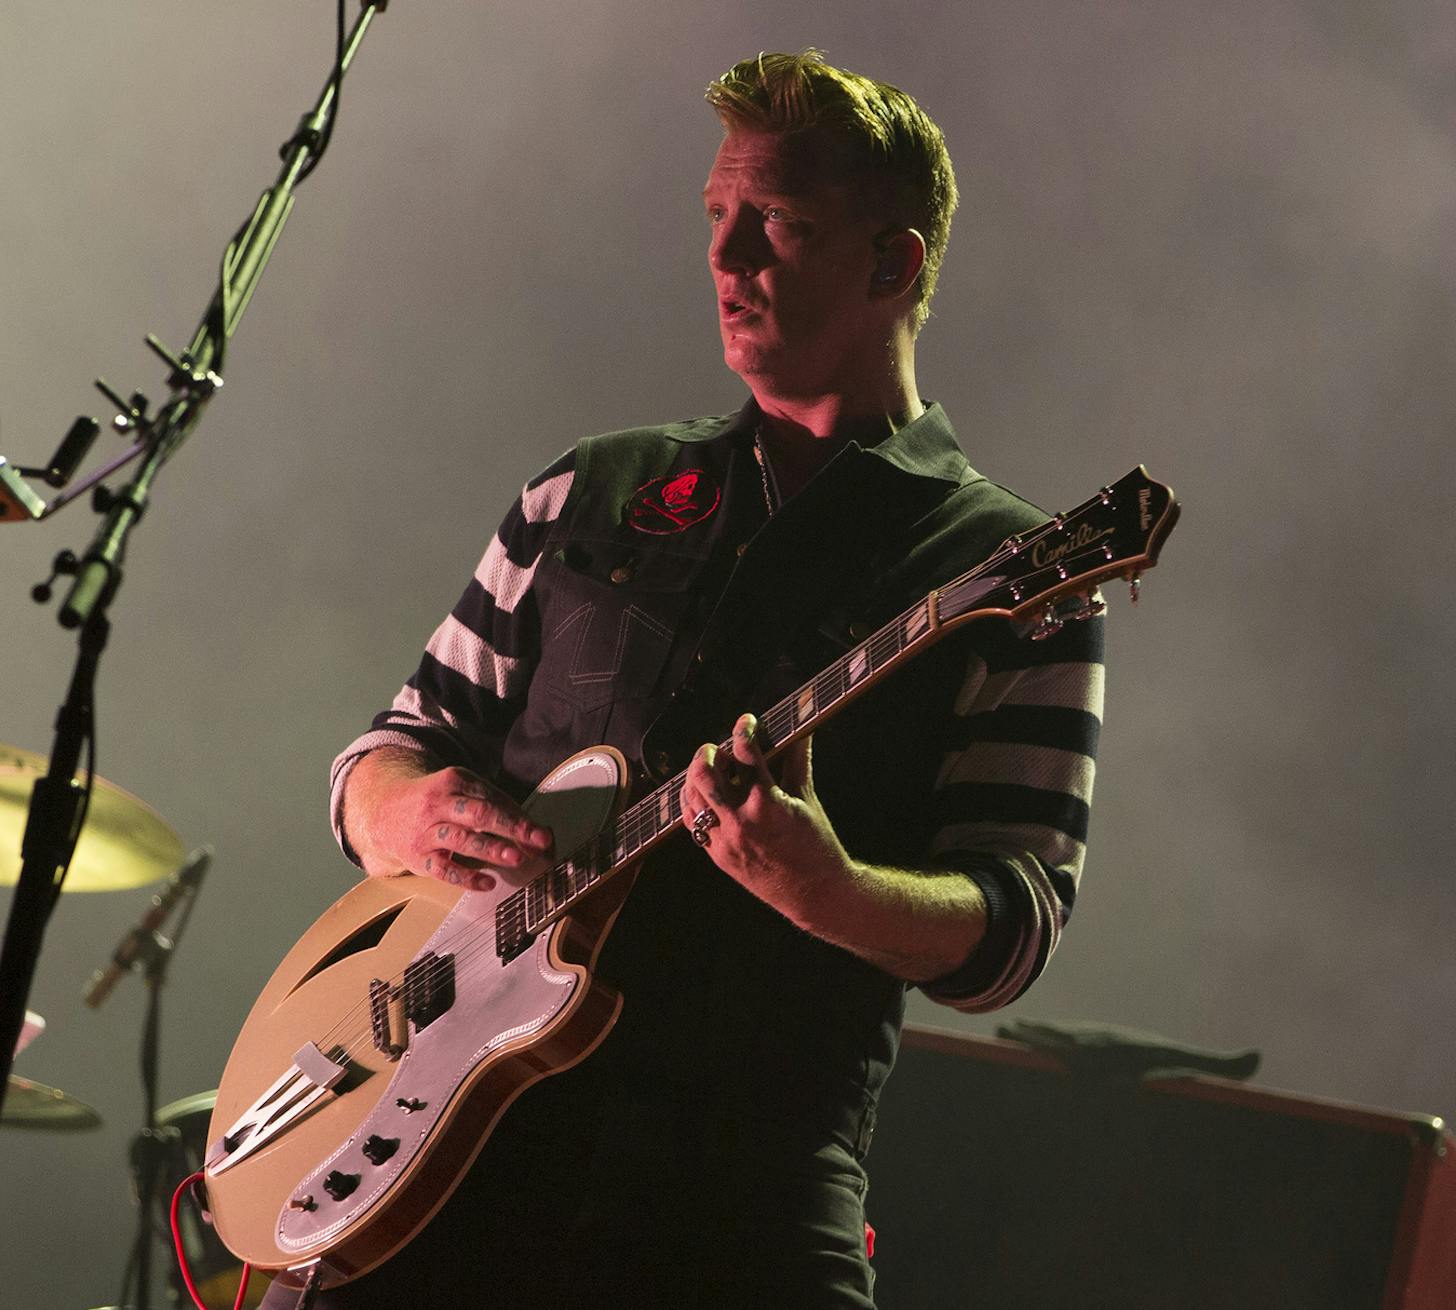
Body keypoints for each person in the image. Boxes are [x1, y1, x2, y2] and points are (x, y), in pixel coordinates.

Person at [284, 51, 1105, 1308]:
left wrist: (828, 887)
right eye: (716, 219)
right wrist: (403, 809)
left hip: (741, 1193)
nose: (727, 261)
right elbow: (390, 747)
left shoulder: (1012, 572)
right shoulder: (590, 485)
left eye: (777, 224)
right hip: (450, 1146)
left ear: (894, 265)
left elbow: (1013, 925)